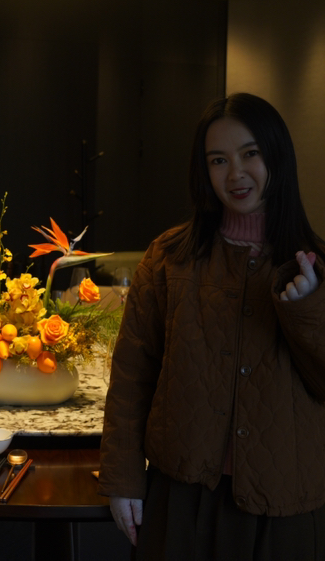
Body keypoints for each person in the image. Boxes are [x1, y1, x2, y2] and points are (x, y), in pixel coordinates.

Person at [98, 93, 325, 559]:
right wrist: (123, 479)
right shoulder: (168, 257)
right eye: (218, 160)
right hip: (181, 495)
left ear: (277, 156)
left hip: (285, 504)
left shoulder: (315, 266)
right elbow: (132, 376)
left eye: (250, 153)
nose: (235, 173)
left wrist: (306, 309)